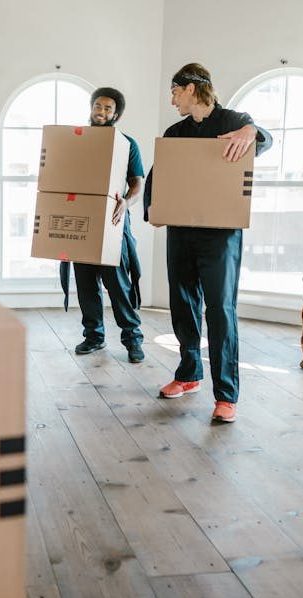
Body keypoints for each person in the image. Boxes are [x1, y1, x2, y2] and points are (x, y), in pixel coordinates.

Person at [143, 63, 272, 423]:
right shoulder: (175, 131)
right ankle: (188, 375)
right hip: (181, 231)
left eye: (174, 91)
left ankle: (226, 395)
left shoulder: (234, 122)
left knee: (220, 309)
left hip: (221, 236)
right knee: (182, 304)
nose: (171, 100)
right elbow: (158, 175)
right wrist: (152, 208)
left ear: (190, 88)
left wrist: (251, 130)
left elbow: (266, 139)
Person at [66, 87, 145, 363]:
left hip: (112, 221)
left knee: (119, 285)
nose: (101, 111)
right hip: (81, 221)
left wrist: (126, 201)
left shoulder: (127, 144)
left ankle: (133, 339)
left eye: (108, 108)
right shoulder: (76, 140)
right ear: (91, 108)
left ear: (116, 114)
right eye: (98, 106)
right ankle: (94, 337)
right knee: (86, 284)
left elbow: (138, 183)